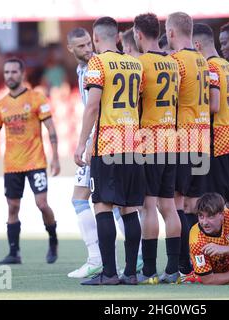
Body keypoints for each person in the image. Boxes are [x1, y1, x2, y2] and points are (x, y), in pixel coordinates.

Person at [75, 17, 145, 285]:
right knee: (129, 209)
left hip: (108, 143)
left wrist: (82, 143)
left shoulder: (97, 63)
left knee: (102, 205)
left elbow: (93, 106)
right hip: (134, 144)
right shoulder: (135, 64)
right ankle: (130, 273)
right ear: (117, 37)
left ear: (95, 38)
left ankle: (109, 273)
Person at [0, 58, 60, 264]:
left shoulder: (36, 98)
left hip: (36, 162)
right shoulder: (1, 105)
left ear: (22, 74)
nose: (9, 76)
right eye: (6, 72)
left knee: (42, 204)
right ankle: (14, 252)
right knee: (13, 208)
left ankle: (53, 239)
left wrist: (56, 157)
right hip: (12, 165)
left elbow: (51, 128)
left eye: (14, 72)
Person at [132, 13, 182, 284]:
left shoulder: (140, 64)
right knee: (170, 206)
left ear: (138, 34)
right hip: (172, 140)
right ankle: (173, 269)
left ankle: (149, 271)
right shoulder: (173, 64)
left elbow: (135, 102)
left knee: (147, 207)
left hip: (149, 140)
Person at [193, 23, 229, 233]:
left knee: (210, 204)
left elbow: (214, 105)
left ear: (197, 45)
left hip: (220, 145)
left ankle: (210, 255)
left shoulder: (210, 67)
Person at [165, 12, 211, 280]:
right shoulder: (202, 61)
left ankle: (183, 265)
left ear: (171, 33)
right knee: (194, 206)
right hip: (202, 140)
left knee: (178, 204)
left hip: (182, 138)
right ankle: (197, 263)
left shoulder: (175, 61)